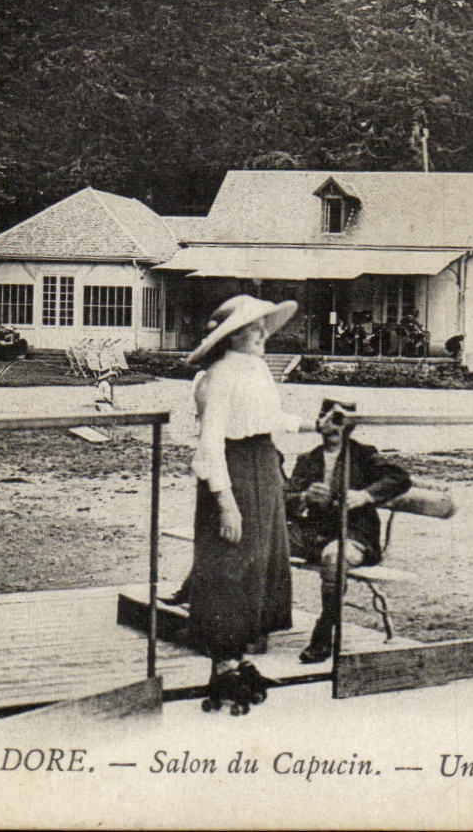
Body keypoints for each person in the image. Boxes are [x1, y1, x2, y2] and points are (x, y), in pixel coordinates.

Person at [187, 294, 328, 714]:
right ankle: (224, 661)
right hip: (232, 472)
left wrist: (314, 425)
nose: (262, 334)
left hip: (264, 466)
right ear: (232, 336)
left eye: (264, 327)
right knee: (230, 561)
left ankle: (241, 657)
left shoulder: (258, 370)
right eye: (252, 328)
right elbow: (210, 443)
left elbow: (270, 420)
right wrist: (225, 502)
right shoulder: (219, 376)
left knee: (262, 559)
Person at [289, 399, 412, 664]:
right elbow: (284, 499)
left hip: (353, 533)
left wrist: (365, 496)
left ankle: (324, 634)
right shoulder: (308, 459)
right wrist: (304, 497)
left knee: (335, 558)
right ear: (318, 422)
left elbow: (400, 478)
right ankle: (254, 623)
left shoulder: (364, 455)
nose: (332, 426)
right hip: (315, 532)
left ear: (350, 426)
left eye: (339, 420)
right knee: (266, 543)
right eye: (326, 418)